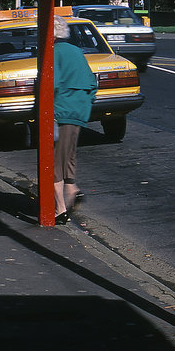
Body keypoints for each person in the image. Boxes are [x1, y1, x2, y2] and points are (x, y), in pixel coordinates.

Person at [52, 14, 97, 225]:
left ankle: (60, 208)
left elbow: (53, 84)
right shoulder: (77, 51)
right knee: (69, 155)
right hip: (80, 111)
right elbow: (92, 82)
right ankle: (73, 188)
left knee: (55, 161)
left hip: (61, 111)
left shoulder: (53, 53)